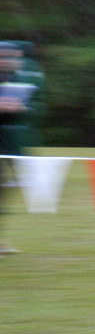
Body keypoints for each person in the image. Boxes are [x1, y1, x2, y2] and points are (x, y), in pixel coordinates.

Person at [0, 41, 42, 255]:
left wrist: (23, 107)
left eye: (12, 56)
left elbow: (38, 108)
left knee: (9, 189)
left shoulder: (24, 79)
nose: (7, 60)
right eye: (3, 55)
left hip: (13, 143)